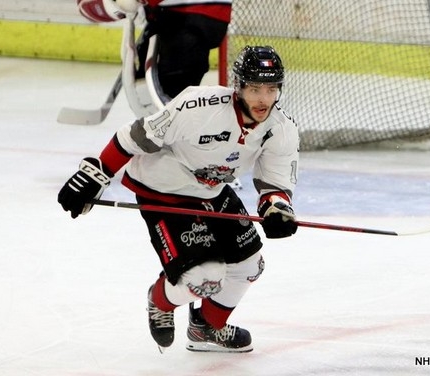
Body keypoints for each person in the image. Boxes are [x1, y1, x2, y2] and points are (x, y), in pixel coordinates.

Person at [57, 46, 300, 353]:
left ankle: (206, 327)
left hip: (212, 190)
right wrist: (96, 173)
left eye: (271, 89)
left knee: (250, 265)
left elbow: (274, 184)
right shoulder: (199, 106)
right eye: (254, 88)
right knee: (205, 277)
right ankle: (159, 300)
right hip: (163, 189)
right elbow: (135, 135)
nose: (263, 99)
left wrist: (277, 209)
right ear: (238, 86)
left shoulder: (281, 128)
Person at [76, 0, 231, 99]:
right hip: (202, 18)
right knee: (155, 87)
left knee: (163, 92)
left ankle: (171, 134)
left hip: (185, 19)